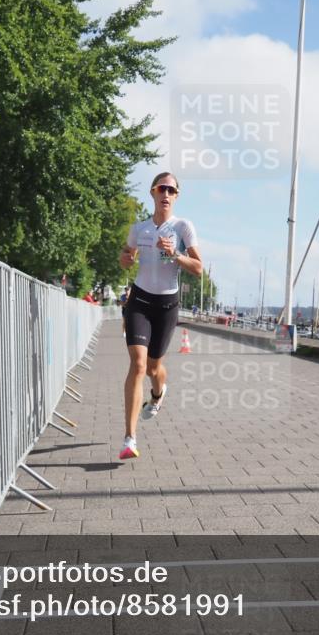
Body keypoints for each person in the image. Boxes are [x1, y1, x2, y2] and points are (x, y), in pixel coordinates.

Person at [117, 172, 202, 460]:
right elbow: (125, 255)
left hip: (166, 305)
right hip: (139, 300)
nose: (166, 193)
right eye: (161, 188)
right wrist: (125, 258)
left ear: (176, 196)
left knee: (154, 368)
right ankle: (129, 439)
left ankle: (158, 393)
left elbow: (199, 268)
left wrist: (176, 254)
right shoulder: (139, 228)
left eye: (171, 190)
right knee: (138, 365)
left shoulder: (182, 227)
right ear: (152, 193)